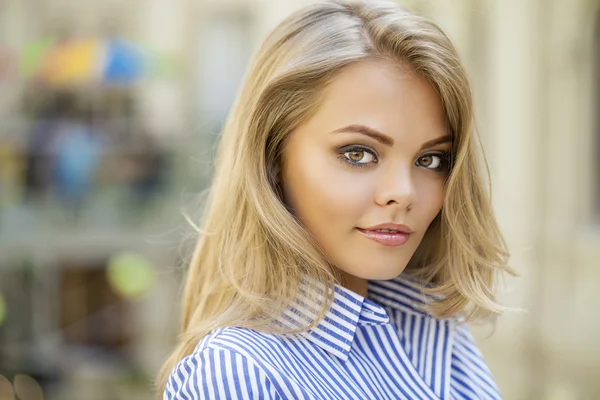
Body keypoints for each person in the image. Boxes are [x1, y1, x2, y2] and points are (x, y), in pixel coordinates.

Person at [158, 0, 515, 398]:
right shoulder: (239, 374)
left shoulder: (433, 325)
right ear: (273, 158)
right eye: (358, 154)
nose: (404, 192)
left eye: (430, 159)